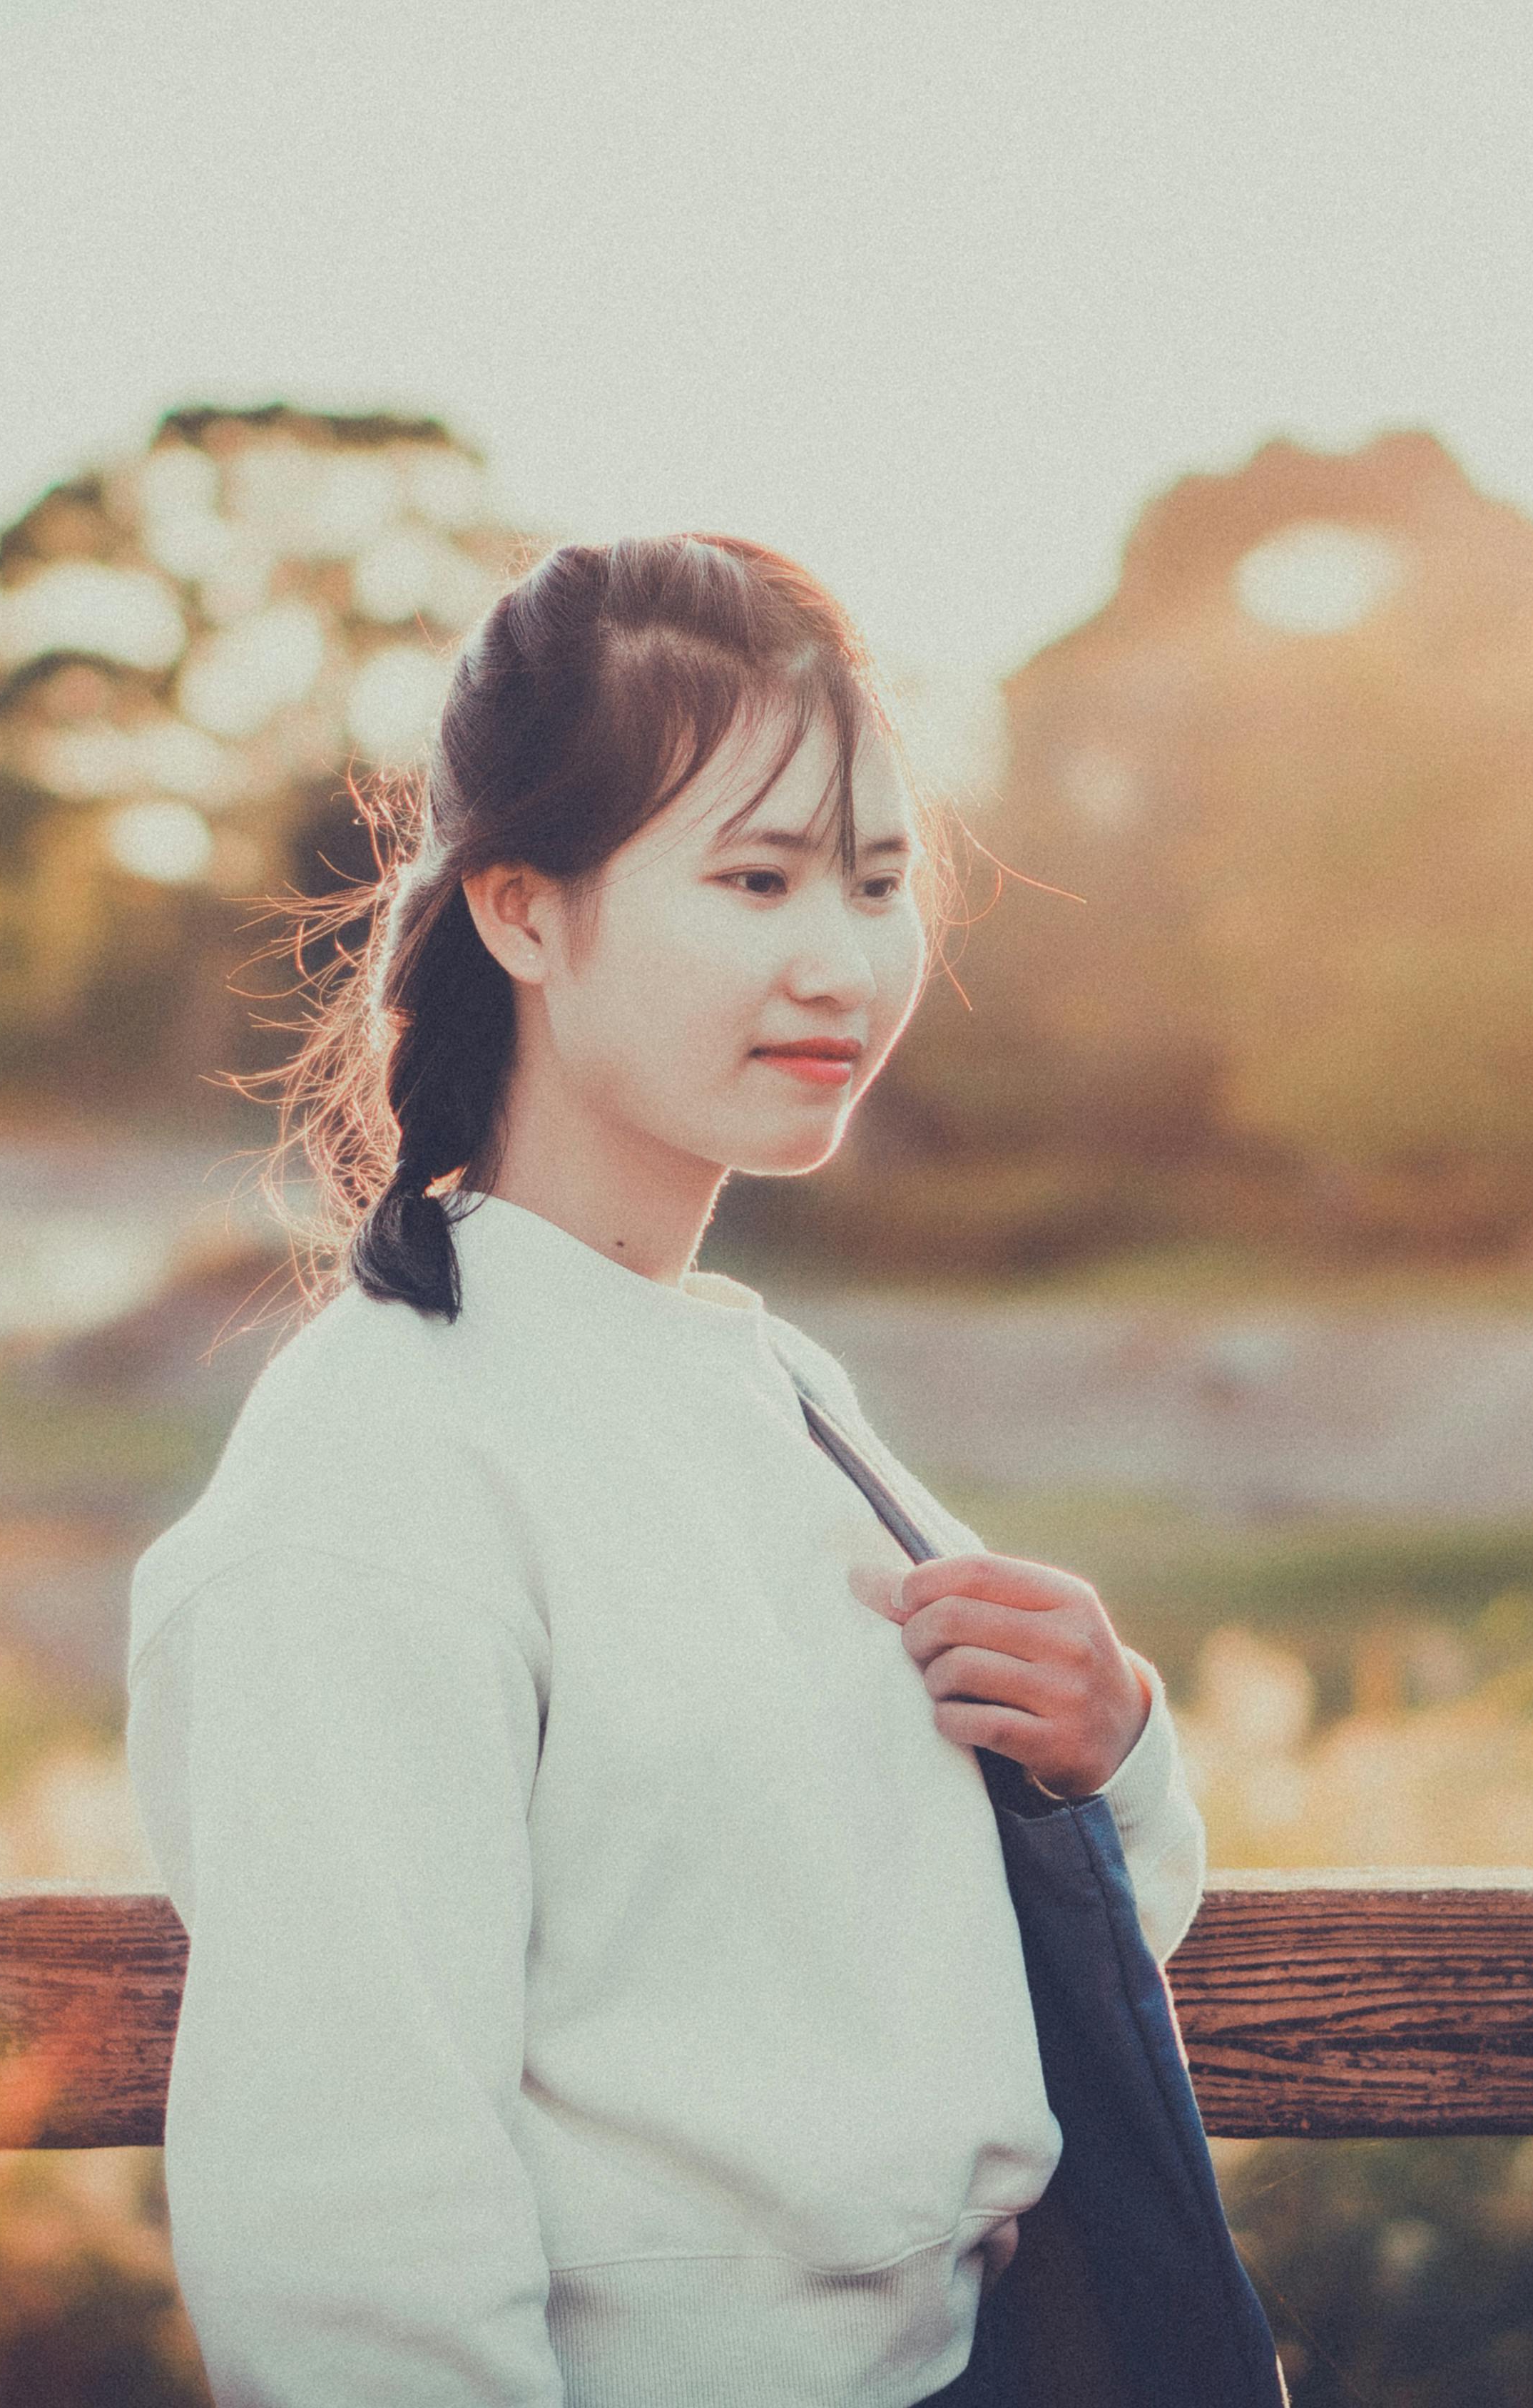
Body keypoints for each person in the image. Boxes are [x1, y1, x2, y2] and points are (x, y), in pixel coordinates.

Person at [124, 534, 1208, 2406]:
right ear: (524, 913)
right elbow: (346, 2229)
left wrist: (1114, 1743)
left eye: (876, 883)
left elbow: (1031, 1945)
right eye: (759, 875)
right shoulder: (384, 1457)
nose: (841, 960)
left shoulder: (779, 1392)